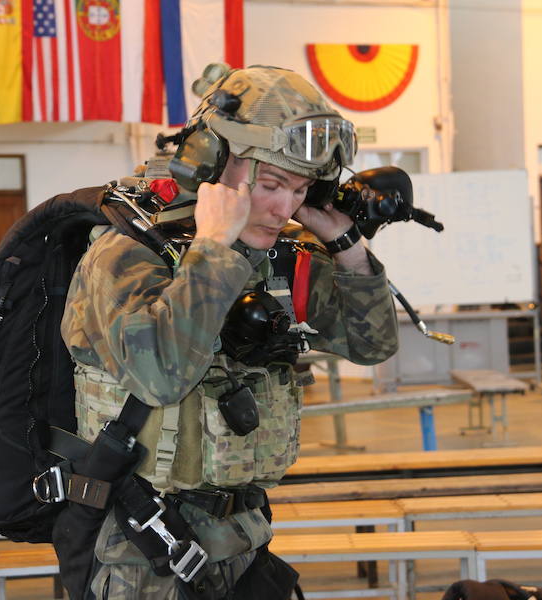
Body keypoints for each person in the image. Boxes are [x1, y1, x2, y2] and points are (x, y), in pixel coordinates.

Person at [58, 64, 400, 600]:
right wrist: (214, 248)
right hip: (139, 547)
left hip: (243, 537)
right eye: (269, 185)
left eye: (301, 189)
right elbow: (160, 376)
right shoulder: (126, 252)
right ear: (213, 163)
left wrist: (349, 248)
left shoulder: (277, 255)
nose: (284, 207)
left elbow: (372, 345)